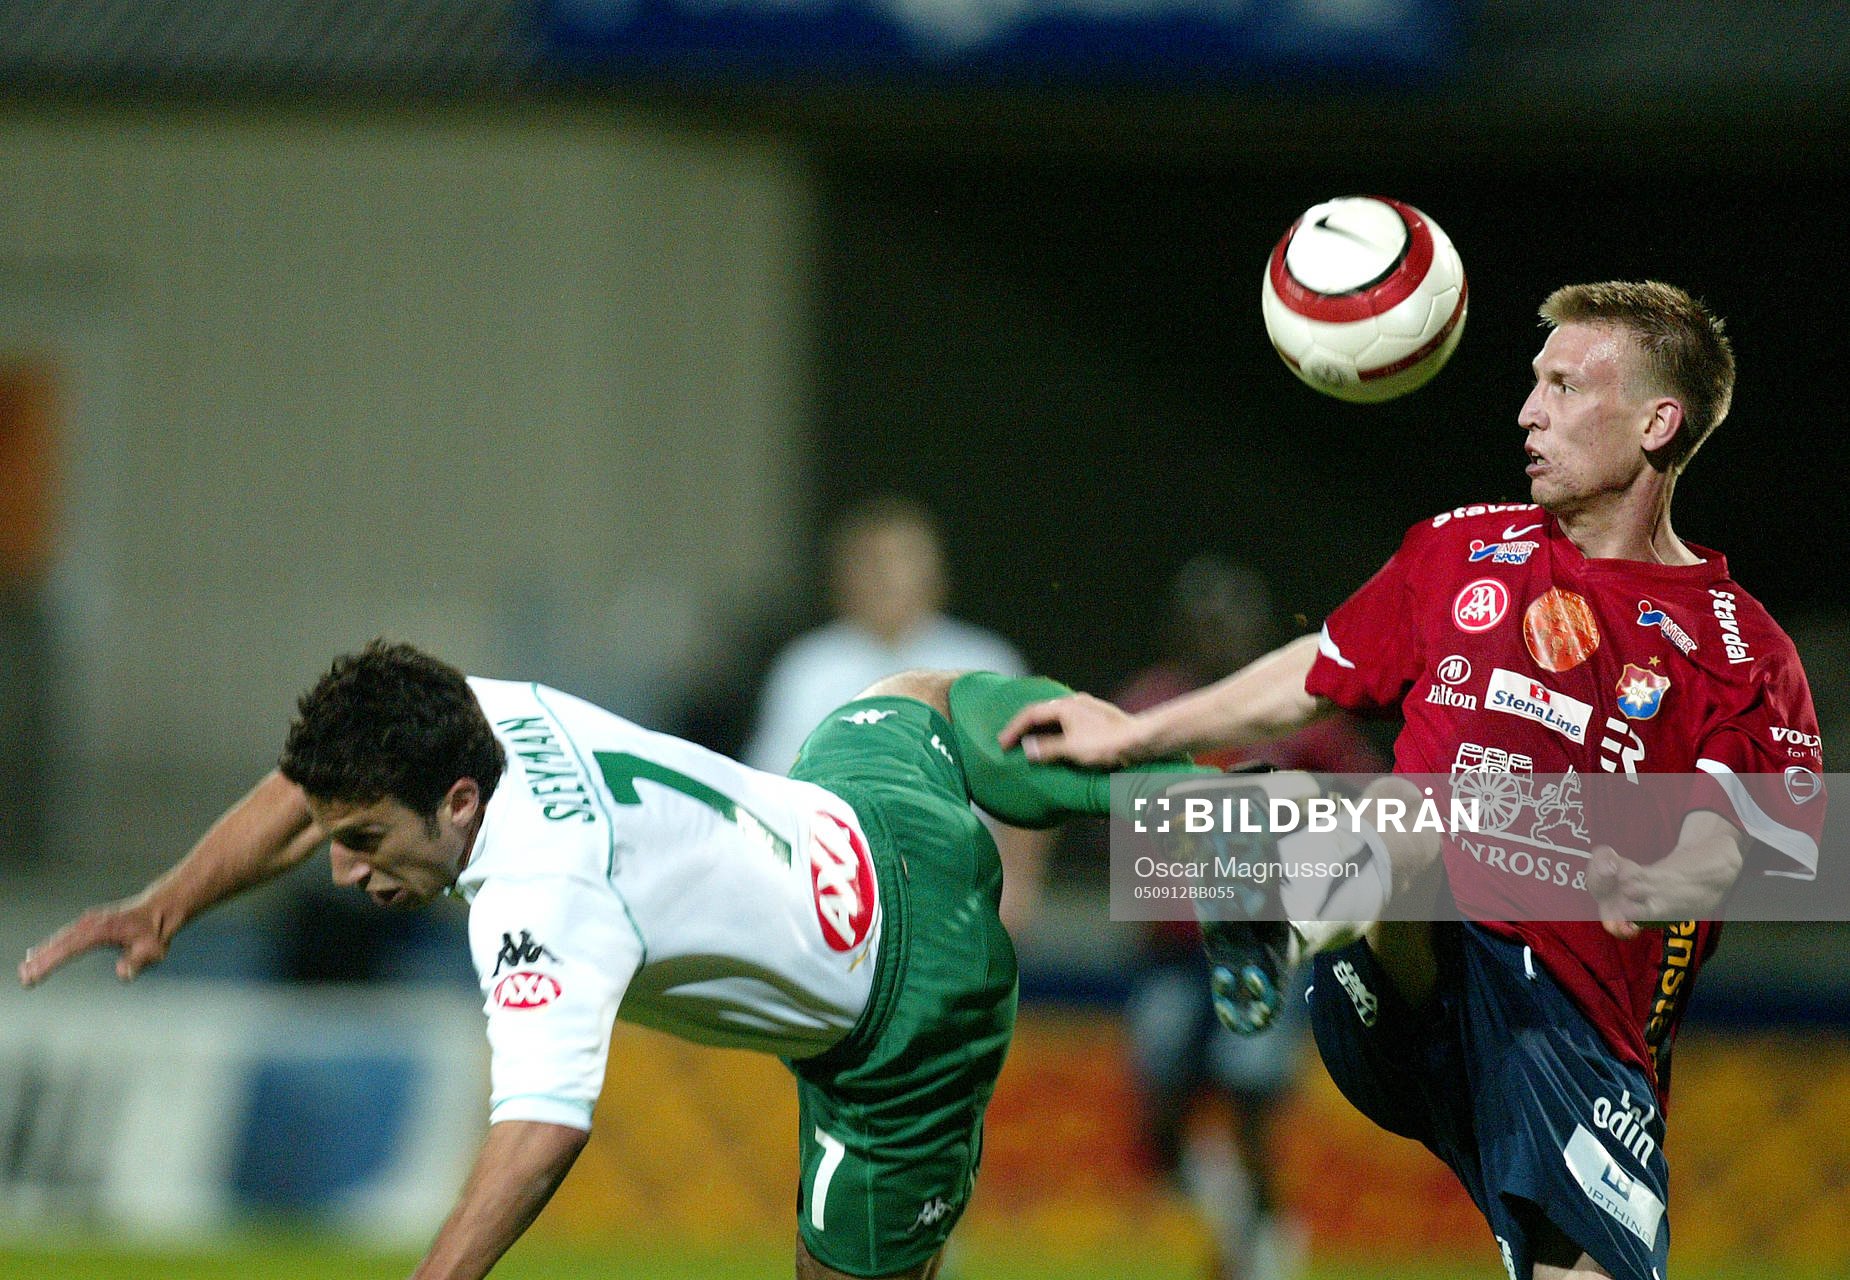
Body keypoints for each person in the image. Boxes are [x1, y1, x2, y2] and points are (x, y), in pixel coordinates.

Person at [1000, 282, 1827, 1280]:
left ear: (1657, 420)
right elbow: (1315, 668)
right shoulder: (1457, 546)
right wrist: (1132, 733)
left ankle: (1274, 865)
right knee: (1411, 808)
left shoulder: (1740, 647)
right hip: (1411, 970)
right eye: (1532, 384)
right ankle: (1276, 906)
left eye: (1563, 387)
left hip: (1573, 1030)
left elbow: (1762, 841)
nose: (1527, 411)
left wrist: (1667, 876)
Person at [17, 643, 1167, 1280]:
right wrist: (170, 902)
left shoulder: (537, 895)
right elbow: (301, 790)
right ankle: (1271, 856)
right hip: (870, 810)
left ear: (455, 803)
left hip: (905, 1022)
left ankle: (1254, 872)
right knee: (909, 695)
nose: (342, 867)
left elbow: (541, 1131)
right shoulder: (472, 714)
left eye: (364, 841)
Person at [1115, 555, 1381, 1280]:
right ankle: (1231, 1211)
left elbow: (1367, 799)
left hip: (1268, 942)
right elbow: (1117, 819)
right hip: (1173, 950)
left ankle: (1265, 1252)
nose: (1216, 637)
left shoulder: (1296, 707)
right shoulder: (1151, 706)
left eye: (1230, 622)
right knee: (1159, 1103)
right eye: (1202, 623)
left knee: (1250, 1096)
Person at [746, 495, 1049, 932]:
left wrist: (1020, 886)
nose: (885, 578)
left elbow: (1028, 782)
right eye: (870, 563)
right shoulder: (809, 667)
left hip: (958, 887)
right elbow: (771, 785)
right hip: (835, 889)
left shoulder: (984, 662)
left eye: (901, 561)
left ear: (935, 572)